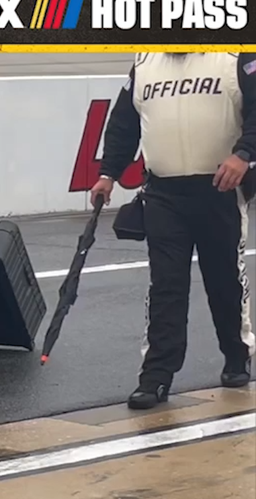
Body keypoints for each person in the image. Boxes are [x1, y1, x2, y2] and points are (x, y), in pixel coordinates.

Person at [93, 51, 255, 409]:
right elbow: (124, 124)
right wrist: (109, 173)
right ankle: (156, 376)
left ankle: (235, 354)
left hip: (220, 190)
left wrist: (244, 154)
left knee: (224, 279)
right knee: (166, 285)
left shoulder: (235, 56)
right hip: (164, 193)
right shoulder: (143, 63)